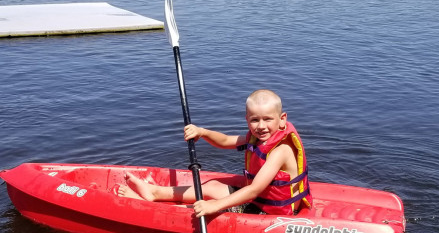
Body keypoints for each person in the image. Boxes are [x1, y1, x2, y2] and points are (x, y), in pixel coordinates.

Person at [118, 89, 312, 217]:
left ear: (282, 119)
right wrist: (202, 132)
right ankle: (154, 192)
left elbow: (254, 190)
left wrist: (214, 206)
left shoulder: (281, 150)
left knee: (211, 202)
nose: (261, 126)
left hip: (270, 213)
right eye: (254, 120)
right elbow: (226, 141)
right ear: (247, 119)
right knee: (211, 187)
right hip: (262, 201)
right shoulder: (259, 138)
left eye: (267, 119)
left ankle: (151, 209)